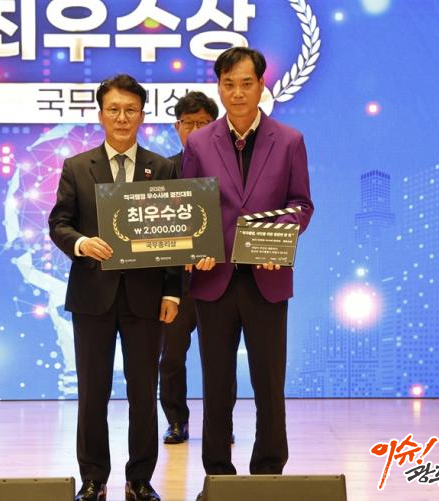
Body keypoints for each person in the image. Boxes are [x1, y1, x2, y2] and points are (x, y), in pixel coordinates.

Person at [181, 47, 314, 483]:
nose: (237, 93)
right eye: (228, 84)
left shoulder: (289, 140)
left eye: (246, 83)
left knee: (269, 384)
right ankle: (218, 477)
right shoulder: (199, 142)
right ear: (218, 88)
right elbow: (189, 206)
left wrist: (279, 238)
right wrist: (193, 247)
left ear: (261, 86)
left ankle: (269, 474)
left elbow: (301, 204)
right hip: (214, 279)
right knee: (217, 386)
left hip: (266, 280)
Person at [48, 74, 180, 501]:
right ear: (101, 114)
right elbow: (59, 223)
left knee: (144, 394)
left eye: (130, 110)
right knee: (92, 393)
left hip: (147, 299)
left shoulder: (162, 168)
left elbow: (174, 236)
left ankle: (139, 480)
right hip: (93, 296)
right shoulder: (77, 166)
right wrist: (81, 244)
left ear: (142, 115)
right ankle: (93, 479)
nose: (122, 118)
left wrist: (172, 292)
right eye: (114, 110)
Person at [159, 92, 220, 445]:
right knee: (170, 357)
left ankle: (220, 424)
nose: (195, 130)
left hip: (218, 277)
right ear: (176, 127)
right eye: (188, 123)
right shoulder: (163, 170)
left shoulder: (229, 169)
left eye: (203, 123)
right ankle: (176, 422)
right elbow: (151, 227)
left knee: (219, 359)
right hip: (174, 283)